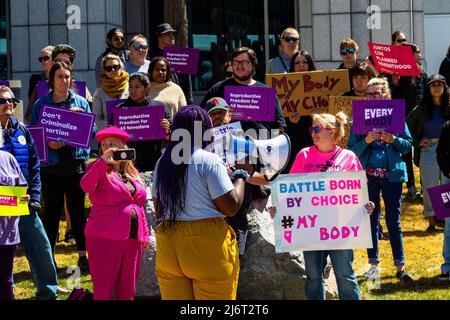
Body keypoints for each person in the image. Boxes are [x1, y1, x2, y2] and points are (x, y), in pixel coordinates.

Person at [152, 105, 247, 300]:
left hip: (169, 243)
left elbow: (158, 206)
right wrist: (240, 177)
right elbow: (231, 207)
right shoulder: (209, 160)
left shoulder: (162, 162)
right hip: (207, 245)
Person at [200, 47, 286, 256]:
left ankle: (238, 248)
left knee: (245, 198)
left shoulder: (266, 92)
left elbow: (279, 126)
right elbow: (201, 120)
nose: (239, 65)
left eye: (244, 62)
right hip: (224, 158)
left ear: (253, 66)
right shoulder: (218, 89)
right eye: (235, 61)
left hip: (257, 157)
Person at [288, 111, 374, 300]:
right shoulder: (303, 155)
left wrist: (366, 205)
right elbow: (290, 190)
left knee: (345, 276)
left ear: (333, 133)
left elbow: (360, 190)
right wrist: (279, 209)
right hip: (311, 228)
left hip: (340, 229)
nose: (313, 132)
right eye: (312, 128)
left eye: (318, 128)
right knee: (313, 277)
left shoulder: (349, 157)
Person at [29, 61, 95, 273]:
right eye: (60, 77)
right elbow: (33, 134)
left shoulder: (81, 102)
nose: (64, 81)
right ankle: (50, 258)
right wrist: (48, 142)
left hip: (74, 164)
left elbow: (91, 133)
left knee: (77, 212)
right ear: (52, 80)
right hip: (51, 166)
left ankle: (83, 256)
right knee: (51, 214)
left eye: (67, 77)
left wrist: (81, 120)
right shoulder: (41, 104)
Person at [348, 77, 414, 283]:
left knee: (393, 221)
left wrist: (392, 139)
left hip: (392, 174)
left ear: (386, 95)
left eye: (377, 93)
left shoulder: (396, 116)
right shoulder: (360, 118)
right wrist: (366, 140)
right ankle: (373, 265)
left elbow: (408, 146)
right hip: (368, 176)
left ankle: (400, 265)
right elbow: (351, 151)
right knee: (371, 219)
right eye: (369, 93)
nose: (373, 97)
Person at [0, 86, 58, 299]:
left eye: (11, 100)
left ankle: (48, 292)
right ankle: (8, 291)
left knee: (41, 248)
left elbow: (34, 166)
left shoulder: (22, 130)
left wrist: (34, 196)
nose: (8, 104)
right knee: (5, 254)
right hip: (2, 206)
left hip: (23, 201)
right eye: (3, 100)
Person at [80, 126, 150, 300]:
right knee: (103, 290)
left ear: (123, 148)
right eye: (104, 145)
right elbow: (85, 186)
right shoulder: (96, 168)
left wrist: (145, 234)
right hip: (105, 238)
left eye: (112, 144)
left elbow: (139, 204)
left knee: (127, 291)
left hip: (133, 239)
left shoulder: (132, 172)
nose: (108, 147)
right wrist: (102, 161)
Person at [407, 74, 450, 232]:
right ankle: (432, 223)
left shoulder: (449, 106)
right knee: (430, 185)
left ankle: (446, 221)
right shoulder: (422, 108)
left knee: (446, 184)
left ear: (445, 88)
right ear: (428, 88)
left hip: (447, 150)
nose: (437, 87)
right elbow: (406, 126)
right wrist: (417, 142)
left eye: (440, 84)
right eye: (433, 85)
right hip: (429, 149)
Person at [390, 42, 427, 199]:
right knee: (405, 153)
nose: (419, 54)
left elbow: (425, 91)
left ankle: (425, 185)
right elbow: (390, 95)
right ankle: (410, 186)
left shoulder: (421, 72)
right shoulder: (396, 72)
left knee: (421, 149)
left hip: (420, 116)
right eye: (416, 52)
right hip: (402, 116)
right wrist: (395, 82)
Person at [115, 72, 171, 173]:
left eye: (137, 87)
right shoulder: (120, 110)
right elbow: (113, 136)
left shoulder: (159, 108)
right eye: (130, 87)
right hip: (128, 161)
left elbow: (171, 136)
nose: (133, 90)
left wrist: (167, 130)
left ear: (147, 89)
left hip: (154, 160)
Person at [0, 144, 28, 300]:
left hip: (6, 233)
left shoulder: (8, 158)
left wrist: (23, 198)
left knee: (6, 281)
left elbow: (21, 188)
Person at [282, 50, 317, 173]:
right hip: (293, 139)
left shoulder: (320, 84)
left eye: (304, 62)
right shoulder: (285, 85)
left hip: (314, 136)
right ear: (293, 66)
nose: (301, 65)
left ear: (310, 65)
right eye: (297, 63)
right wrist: (290, 121)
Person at [148, 23, 193, 105]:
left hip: (177, 98)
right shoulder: (151, 56)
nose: (172, 37)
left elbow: (187, 81)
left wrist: (189, 102)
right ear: (159, 38)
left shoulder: (180, 55)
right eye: (168, 34)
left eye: (173, 34)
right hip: (157, 98)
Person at [92, 54, 129, 130]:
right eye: (108, 68)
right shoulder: (99, 92)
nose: (113, 70)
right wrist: (113, 128)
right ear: (104, 71)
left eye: (115, 67)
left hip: (131, 133)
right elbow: (97, 119)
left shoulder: (131, 87)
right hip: (110, 136)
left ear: (121, 67)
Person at [25, 46, 54, 123]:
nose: (43, 61)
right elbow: (29, 112)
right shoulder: (36, 80)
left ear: (54, 59)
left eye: (46, 58)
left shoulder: (67, 80)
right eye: (40, 59)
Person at [436, 119, 450, 280]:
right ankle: (447, 267)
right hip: (448, 180)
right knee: (448, 226)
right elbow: (440, 153)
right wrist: (448, 172)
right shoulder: (447, 126)